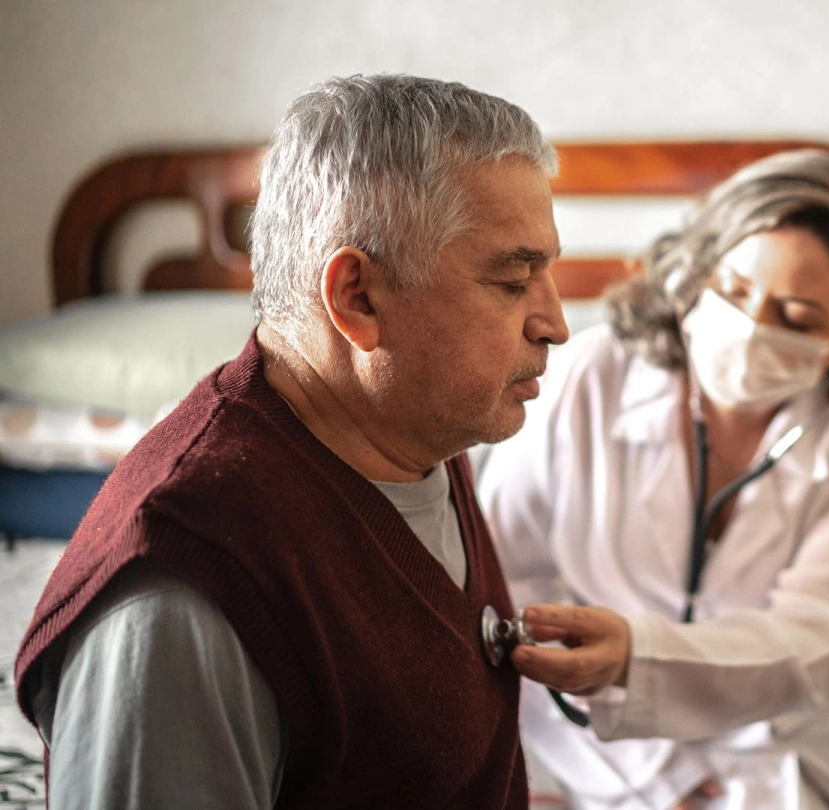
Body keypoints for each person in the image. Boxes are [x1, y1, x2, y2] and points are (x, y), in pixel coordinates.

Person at [13, 74, 570, 808]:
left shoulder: (413, 422)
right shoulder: (186, 592)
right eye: (512, 281)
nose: (556, 323)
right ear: (358, 299)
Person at [479, 149, 829, 809]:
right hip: (606, 707)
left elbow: (818, 631)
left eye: (797, 319)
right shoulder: (588, 380)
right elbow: (505, 589)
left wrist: (642, 652)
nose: (750, 330)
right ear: (698, 270)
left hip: (809, 704)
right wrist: (658, 777)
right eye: (735, 290)